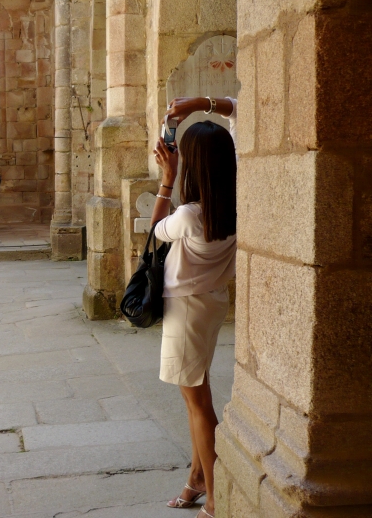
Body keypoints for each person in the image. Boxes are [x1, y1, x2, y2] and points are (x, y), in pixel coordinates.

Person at [150, 121, 237, 518]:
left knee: (197, 403)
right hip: (212, 303)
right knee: (195, 397)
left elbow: (154, 231)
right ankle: (196, 478)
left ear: (194, 166)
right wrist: (206, 107)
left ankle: (215, 496)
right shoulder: (234, 208)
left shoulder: (189, 215)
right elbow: (235, 117)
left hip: (185, 309)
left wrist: (167, 181)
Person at [166, 97, 237, 145]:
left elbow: (238, 111)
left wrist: (169, 167)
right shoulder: (238, 161)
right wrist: (196, 103)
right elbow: (239, 111)